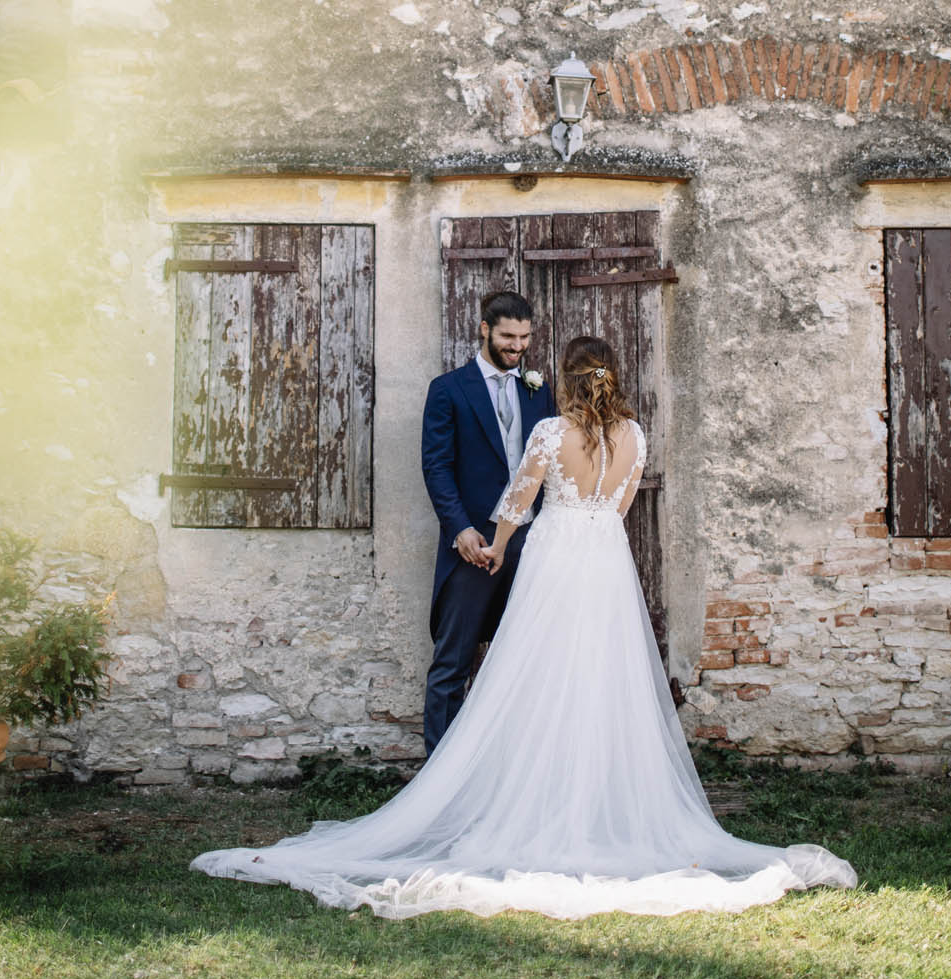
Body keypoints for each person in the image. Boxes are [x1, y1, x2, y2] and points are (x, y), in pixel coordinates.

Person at [189, 334, 857, 920]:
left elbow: (519, 499)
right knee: (601, 677)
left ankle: (527, 802)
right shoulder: (635, 435)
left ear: (565, 379)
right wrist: (589, 525)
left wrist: (499, 546)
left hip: (556, 557)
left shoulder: (550, 433)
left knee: (534, 675)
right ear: (614, 376)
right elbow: (621, 506)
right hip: (604, 561)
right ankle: (594, 802)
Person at [418, 288, 558, 756]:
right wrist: (459, 530)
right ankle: (439, 774)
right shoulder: (448, 390)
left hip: (529, 543)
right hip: (472, 544)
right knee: (453, 660)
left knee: (522, 663)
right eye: (507, 337)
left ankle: (506, 770)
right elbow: (436, 467)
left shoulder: (540, 389)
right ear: (484, 329)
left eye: (525, 338)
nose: (518, 347)